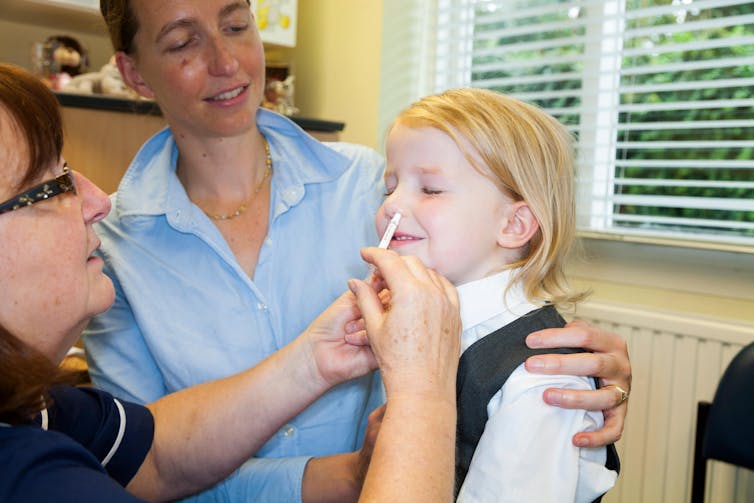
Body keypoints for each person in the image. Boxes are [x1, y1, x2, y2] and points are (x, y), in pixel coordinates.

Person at [83, 1, 632, 501]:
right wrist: (350, 474)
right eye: (183, 42)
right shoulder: (105, 249)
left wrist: (576, 374)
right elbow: (135, 468)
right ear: (132, 72)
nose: (225, 60)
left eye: (235, 26)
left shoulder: (372, 183)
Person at [0, 62, 463, 502]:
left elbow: (154, 457)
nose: (99, 200)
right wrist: (423, 396)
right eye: (53, 184)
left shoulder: (39, 412)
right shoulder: (32, 480)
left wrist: (314, 361)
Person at [358, 88, 624, 501]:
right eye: (388, 188)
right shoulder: (412, 328)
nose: (392, 205)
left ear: (515, 225)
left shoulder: (539, 380)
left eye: (430, 189)